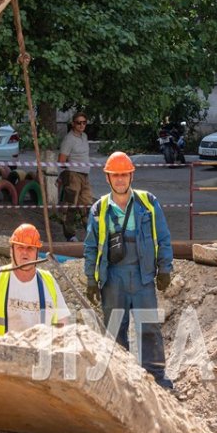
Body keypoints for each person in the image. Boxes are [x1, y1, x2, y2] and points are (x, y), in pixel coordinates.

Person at [82, 151, 175, 389]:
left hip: (142, 275)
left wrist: (165, 268)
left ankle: (156, 378)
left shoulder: (148, 202)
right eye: (116, 175)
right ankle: (118, 381)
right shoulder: (99, 209)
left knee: (149, 327)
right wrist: (91, 279)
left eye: (124, 174)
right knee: (114, 331)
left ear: (131, 176)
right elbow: (91, 246)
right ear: (108, 178)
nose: (120, 180)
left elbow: (163, 237)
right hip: (113, 278)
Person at [0, 224, 71, 336]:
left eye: (30, 248)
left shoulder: (48, 281)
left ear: (37, 252)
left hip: (39, 351)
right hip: (1, 352)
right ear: (11, 250)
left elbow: (63, 323)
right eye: (20, 247)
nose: (25, 253)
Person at [57, 112, 93, 242]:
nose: (81, 125)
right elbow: (61, 161)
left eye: (84, 122)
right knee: (70, 207)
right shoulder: (69, 139)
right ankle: (70, 235)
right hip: (73, 176)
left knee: (87, 206)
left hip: (85, 175)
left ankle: (91, 233)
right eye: (78, 122)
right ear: (73, 124)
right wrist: (72, 168)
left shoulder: (84, 136)